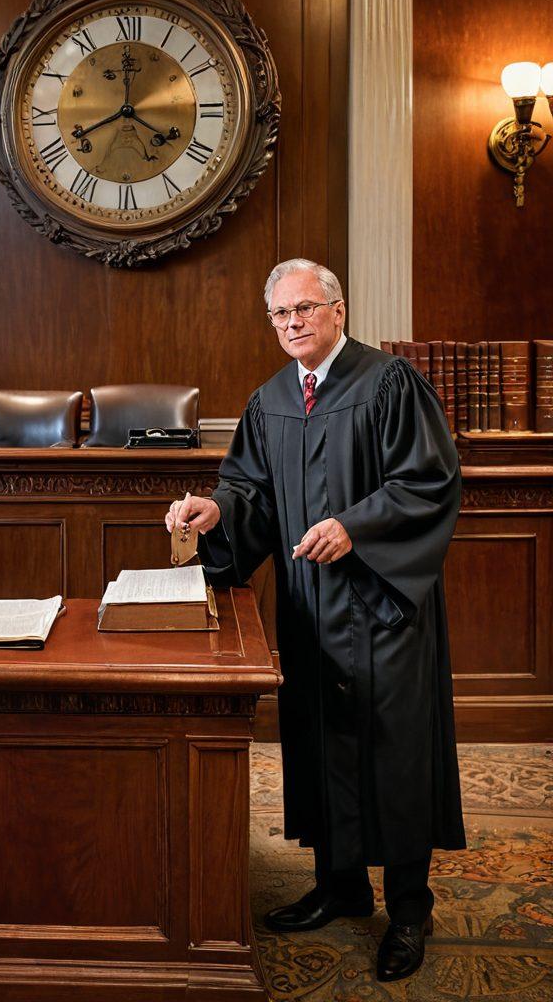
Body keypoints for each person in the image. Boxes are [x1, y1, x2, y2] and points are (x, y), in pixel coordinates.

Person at [165, 258, 466, 983]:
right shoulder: (270, 400)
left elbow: (429, 480)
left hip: (381, 606)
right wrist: (216, 512)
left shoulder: (389, 383)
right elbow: (250, 496)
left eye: (304, 308)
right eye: (280, 314)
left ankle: (409, 909)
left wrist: (356, 527)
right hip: (309, 607)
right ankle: (340, 887)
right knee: (320, 742)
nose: (292, 323)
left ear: (337, 309)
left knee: (391, 751)